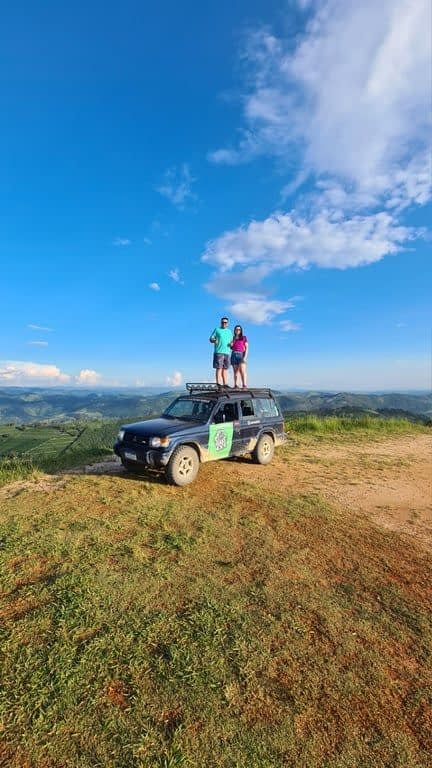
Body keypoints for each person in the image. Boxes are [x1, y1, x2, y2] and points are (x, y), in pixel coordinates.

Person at [209, 317, 233, 386]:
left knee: (225, 369)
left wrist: (232, 343)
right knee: (219, 368)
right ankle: (219, 384)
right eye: (222, 322)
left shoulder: (229, 331)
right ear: (221, 323)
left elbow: (232, 341)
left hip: (227, 352)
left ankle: (225, 384)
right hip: (219, 351)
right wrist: (214, 340)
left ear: (227, 323)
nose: (224, 323)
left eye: (225, 322)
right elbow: (210, 339)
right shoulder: (217, 330)